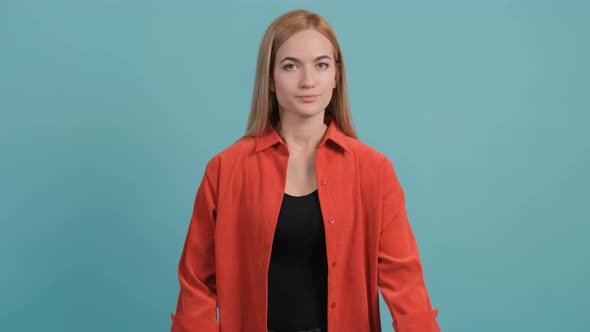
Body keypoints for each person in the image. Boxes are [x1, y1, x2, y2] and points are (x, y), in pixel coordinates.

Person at [170, 9, 440, 332]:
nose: (308, 81)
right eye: (290, 66)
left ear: (336, 75)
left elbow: (407, 288)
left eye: (321, 65)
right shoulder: (224, 170)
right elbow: (196, 283)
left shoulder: (374, 171)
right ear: (269, 79)